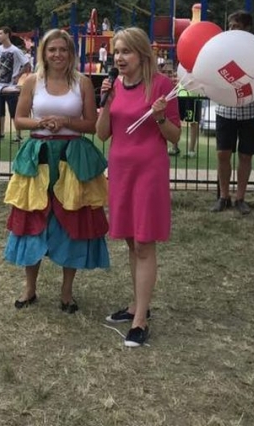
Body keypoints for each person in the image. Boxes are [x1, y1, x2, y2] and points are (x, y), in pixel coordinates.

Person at [3, 28, 109, 314]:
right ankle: (29, 288)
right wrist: (40, 123)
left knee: (73, 219)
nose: (57, 54)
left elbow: (92, 125)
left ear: (71, 53)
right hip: (38, 157)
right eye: (52, 49)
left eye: (63, 49)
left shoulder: (82, 82)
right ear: (44, 53)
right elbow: (19, 120)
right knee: (33, 217)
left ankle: (67, 292)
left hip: (72, 157)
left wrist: (65, 122)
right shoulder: (32, 81)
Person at [97, 27, 180, 347]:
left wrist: (159, 117)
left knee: (145, 243)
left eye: (126, 51)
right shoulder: (115, 85)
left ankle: (141, 319)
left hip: (149, 172)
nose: (119, 58)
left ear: (142, 54)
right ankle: (135, 305)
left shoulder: (161, 85)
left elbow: (175, 136)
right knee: (132, 242)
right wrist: (107, 102)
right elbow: (102, 133)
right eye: (116, 52)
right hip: (121, 171)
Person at [212, 11, 254, 215]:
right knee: (223, 153)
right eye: (230, 26)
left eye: (237, 26)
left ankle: (240, 198)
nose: (232, 29)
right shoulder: (222, 47)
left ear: (247, 28)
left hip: (252, 110)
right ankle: (223, 197)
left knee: (245, 155)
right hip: (226, 108)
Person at [0, 27, 28, 141]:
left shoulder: (15, 50)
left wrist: (18, 76)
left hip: (11, 85)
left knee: (14, 111)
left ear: (7, 34)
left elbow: (27, 64)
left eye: (0, 33)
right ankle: (1, 132)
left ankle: (18, 135)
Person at [169, 85, 202, 158]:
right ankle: (174, 148)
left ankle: (191, 151)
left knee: (194, 122)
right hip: (180, 94)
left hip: (193, 95)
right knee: (176, 120)